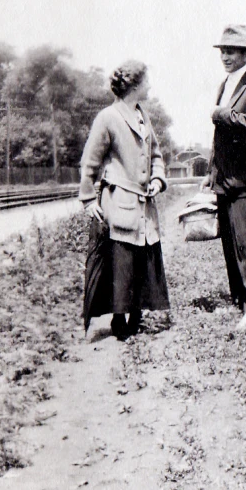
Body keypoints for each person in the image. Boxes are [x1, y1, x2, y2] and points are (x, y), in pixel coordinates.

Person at [79, 60, 170, 340]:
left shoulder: (143, 115)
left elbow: (155, 155)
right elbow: (89, 162)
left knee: (142, 259)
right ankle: (119, 319)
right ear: (134, 85)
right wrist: (88, 200)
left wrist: (157, 179)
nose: (150, 86)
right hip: (119, 201)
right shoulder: (108, 117)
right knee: (121, 261)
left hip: (144, 202)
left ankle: (137, 314)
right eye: (147, 82)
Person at [202, 25, 246, 330]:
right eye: (223, 51)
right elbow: (219, 138)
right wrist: (210, 171)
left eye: (231, 51)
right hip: (224, 178)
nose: (226, 56)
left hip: (245, 180)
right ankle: (237, 300)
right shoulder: (225, 84)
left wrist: (220, 114)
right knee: (229, 242)